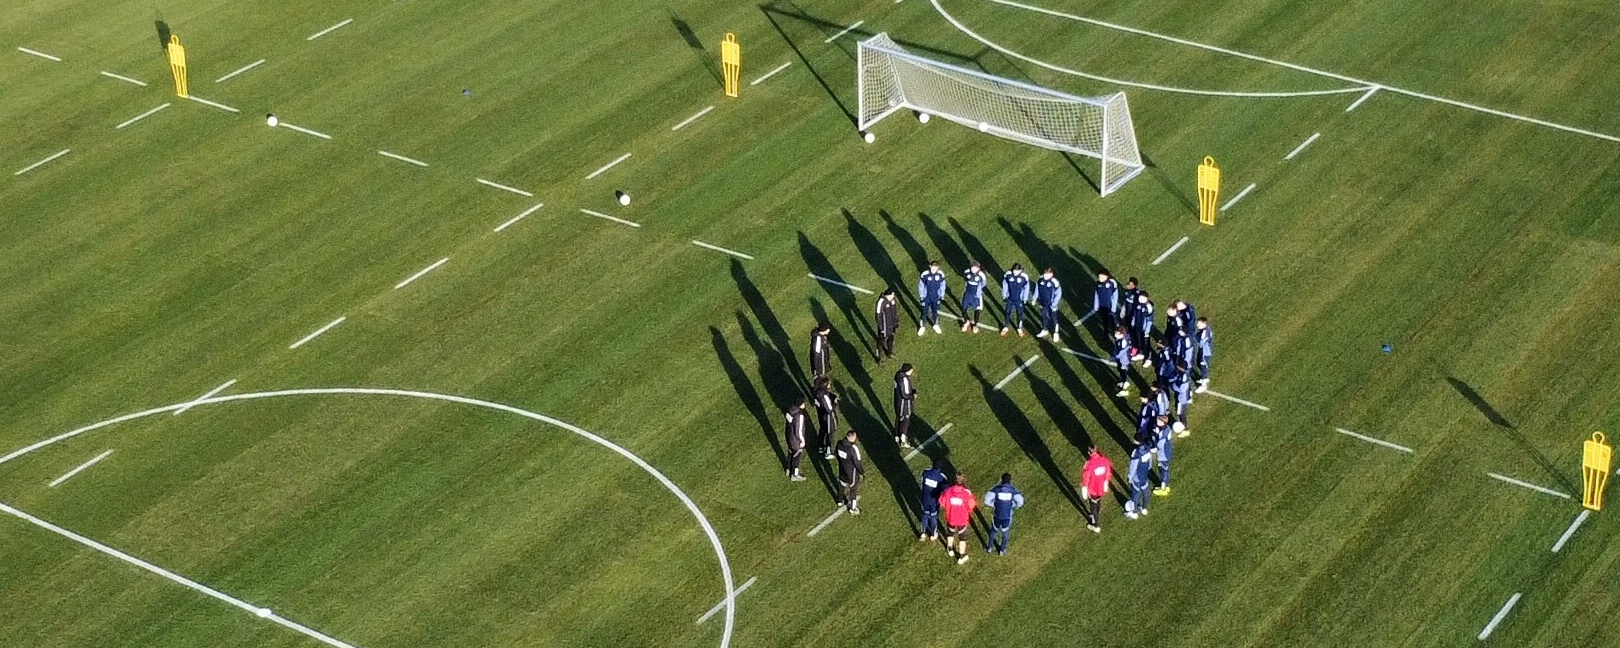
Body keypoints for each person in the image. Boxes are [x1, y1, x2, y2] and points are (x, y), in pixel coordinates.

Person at [983, 473, 1025, 555]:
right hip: (1007, 516)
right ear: (1010, 480)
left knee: (993, 531)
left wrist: (994, 505)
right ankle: (1002, 550)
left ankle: (989, 547)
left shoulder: (996, 489)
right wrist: (1013, 506)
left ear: (1001, 480)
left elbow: (986, 501)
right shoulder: (1013, 490)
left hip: (997, 515)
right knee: (1005, 533)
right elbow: (1020, 502)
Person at [939, 474, 977, 564]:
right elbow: (972, 505)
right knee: (962, 538)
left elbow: (941, 502)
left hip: (951, 517)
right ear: (963, 482)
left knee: (950, 533)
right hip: (962, 520)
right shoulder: (965, 493)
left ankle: (950, 548)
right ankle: (961, 556)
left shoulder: (948, 491)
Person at [1080, 447, 1113, 533]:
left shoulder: (1089, 464)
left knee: (1093, 506)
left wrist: (1084, 488)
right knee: (1098, 501)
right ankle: (1095, 516)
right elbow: (1108, 472)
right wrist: (1106, 481)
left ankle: (1095, 525)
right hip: (1101, 487)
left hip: (1093, 489)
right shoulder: (1104, 460)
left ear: (1089, 453)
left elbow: (1085, 478)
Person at [835, 430, 864, 514]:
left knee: (842, 484)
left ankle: (839, 501)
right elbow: (857, 462)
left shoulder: (839, 443)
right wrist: (861, 472)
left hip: (842, 468)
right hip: (852, 472)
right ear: (853, 438)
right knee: (853, 489)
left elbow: (836, 454)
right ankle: (853, 508)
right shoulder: (853, 448)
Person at [918, 460, 948, 541]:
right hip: (934, 501)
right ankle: (933, 534)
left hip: (925, 498)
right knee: (933, 516)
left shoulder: (926, 472)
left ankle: (923, 533)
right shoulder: (942, 478)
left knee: (925, 514)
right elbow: (945, 490)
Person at [1000, 263, 1031, 337]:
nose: (1015, 272)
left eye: (1017, 271)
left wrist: (1025, 299)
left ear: (1020, 270)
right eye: (1014, 270)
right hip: (1010, 298)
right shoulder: (1008, 274)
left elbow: (1026, 288)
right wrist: (1004, 295)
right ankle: (1006, 326)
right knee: (1007, 312)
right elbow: (1005, 284)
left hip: (1019, 300)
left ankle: (1019, 328)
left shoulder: (1024, 277)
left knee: (1019, 313)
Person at [1125, 440, 1153, 519]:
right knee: (1145, 493)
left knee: (1135, 495)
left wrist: (1130, 477)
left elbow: (1133, 467)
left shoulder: (1136, 453)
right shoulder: (1148, 449)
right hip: (1144, 476)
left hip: (1136, 478)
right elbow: (1150, 463)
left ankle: (1134, 511)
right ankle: (1144, 508)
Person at [917, 261, 947, 336]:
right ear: (930, 266)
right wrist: (922, 296)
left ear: (938, 268)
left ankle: (935, 325)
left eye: (935, 268)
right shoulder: (925, 274)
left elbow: (942, 285)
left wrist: (941, 295)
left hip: (936, 297)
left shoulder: (940, 274)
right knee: (924, 312)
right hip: (926, 297)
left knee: (935, 311)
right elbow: (921, 286)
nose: (934, 270)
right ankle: (922, 326)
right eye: (932, 268)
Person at [811, 377, 838, 460]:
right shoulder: (824, 396)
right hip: (828, 417)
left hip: (821, 415)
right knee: (830, 433)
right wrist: (835, 402)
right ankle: (828, 452)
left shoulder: (817, 393)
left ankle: (821, 447)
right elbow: (829, 409)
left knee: (822, 430)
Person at [1033, 268, 1063, 342]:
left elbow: (1058, 294)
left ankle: (1056, 333)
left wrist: (1054, 304)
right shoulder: (1040, 279)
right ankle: (1044, 329)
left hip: (1052, 304)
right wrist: (1034, 299)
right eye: (1045, 273)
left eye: (1048, 274)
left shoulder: (1054, 282)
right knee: (1044, 316)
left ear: (1052, 274)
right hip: (1043, 303)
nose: (1046, 275)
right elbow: (1037, 289)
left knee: (1053, 318)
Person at [784, 399, 808, 482]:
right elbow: (798, 430)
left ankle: (788, 468)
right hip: (795, 440)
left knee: (791, 452)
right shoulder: (799, 415)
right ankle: (795, 474)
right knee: (797, 456)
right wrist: (802, 441)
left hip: (788, 435)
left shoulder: (790, 410)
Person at [893, 363, 917, 447]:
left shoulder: (897, 375)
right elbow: (905, 395)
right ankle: (903, 440)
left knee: (898, 418)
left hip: (897, 401)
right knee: (905, 420)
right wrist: (913, 396)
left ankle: (896, 436)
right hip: (904, 404)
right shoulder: (905, 380)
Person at [960, 261, 988, 333]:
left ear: (978, 268)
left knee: (977, 310)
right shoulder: (967, 272)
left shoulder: (981, 275)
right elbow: (965, 278)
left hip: (976, 295)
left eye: (975, 269)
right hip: (968, 293)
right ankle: (966, 321)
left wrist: (978, 290)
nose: (973, 270)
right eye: (972, 268)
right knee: (963, 308)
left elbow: (983, 284)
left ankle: (975, 324)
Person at [1131, 291, 1155, 365]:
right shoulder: (1137, 304)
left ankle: (1149, 358)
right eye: (1140, 297)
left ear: (1147, 299)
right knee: (1138, 340)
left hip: (1144, 329)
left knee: (1146, 343)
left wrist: (1147, 331)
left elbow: (1150, 320)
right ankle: (1140, 353)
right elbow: (1134, 315)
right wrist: (1133, 323)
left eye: (1143, 298)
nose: (1140, 299)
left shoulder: (1149, 307)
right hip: (1137, 326)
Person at [1153, 414, 1174, 496]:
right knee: (1165, 469)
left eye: (1158, 420)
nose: (1157, 421)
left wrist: (1154, 447)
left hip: (1163, 454)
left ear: (1162, 422)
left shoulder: (1163, 432)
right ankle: (1166, 486)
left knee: (1163, 471)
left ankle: (1163, 489)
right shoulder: (1167, 428)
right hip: (1167, 452)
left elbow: (1160, 444)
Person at [875, 289, 899, 362]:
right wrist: (881, 328)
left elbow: (894, 312)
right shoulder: (881, 302)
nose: (893, 296)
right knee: (881, 341)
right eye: (892, 295)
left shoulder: (892, 301)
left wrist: (896, 322)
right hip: (884, 327)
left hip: (891, 325)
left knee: (891, 339)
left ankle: (889, 353)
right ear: (888, 295)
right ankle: (879, 358)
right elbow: (878, 316)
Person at [1170, 361, 1193, 437]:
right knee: (1181, 412)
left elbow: (1182, 389)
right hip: (1182, 397)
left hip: (1181, 399)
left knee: (1180, 413)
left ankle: (1185, 429)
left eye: (1179, 366)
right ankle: (1184, 427)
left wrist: (1174, 386)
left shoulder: (1184, 377)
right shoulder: (1183, 374)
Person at [1119, 277, 1142, 349]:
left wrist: (1134, 318)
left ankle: (1136, 346)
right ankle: (1128, 341)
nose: (1127, 285)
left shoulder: (1137, 294)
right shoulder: (1126, 292)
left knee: (1134, 332)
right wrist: (1123, 311)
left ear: (1133, 285)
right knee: (1127, 328)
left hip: (1133, 315)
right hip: (1127, 314)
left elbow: (1137, 307)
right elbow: (1125, 303)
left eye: (1129, 284)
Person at [1194, 317, 1214, 393]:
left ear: (1204, 323)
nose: (1197, 325)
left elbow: (1201, 342)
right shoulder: (1205, 330)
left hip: (1205, 352)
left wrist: (1197, 337)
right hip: (1203, 350)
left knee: (1203, 366)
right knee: (1198, 363)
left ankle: (1203, 385)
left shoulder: (1205, 332)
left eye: (1199, 323)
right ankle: (1204, 378)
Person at [1111, 327, 1133, 398]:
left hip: (1124, 360)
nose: (1115, 334)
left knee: (1123, 371)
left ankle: (1125, 388)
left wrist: (1116, 356)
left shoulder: (1123, 341)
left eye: (1116, 333)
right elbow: (1116, 348)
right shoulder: (1118, 339)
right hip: (1120, 359)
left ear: (1122, 334)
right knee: (1120, 370)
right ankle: (1124, 381)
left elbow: (1122, 352)